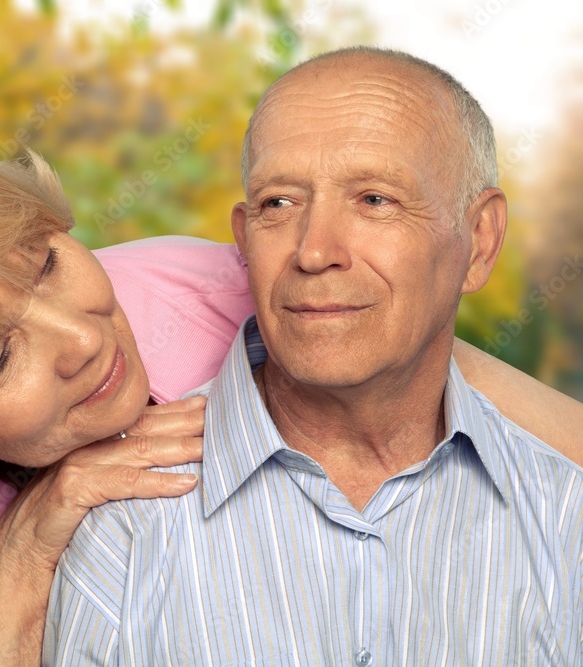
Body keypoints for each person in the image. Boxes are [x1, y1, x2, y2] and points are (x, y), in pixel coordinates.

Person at [0, 145, 583, 666]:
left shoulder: (200, 284)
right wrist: (28, 540)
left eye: (48, 262)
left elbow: (498, 406)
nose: (86, 335)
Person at [44, 47, 583, 666]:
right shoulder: (121, 526)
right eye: (280, 203)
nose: (314, 251)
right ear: (244, 241)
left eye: (375, 200)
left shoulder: (566, 517)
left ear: (480, 242)